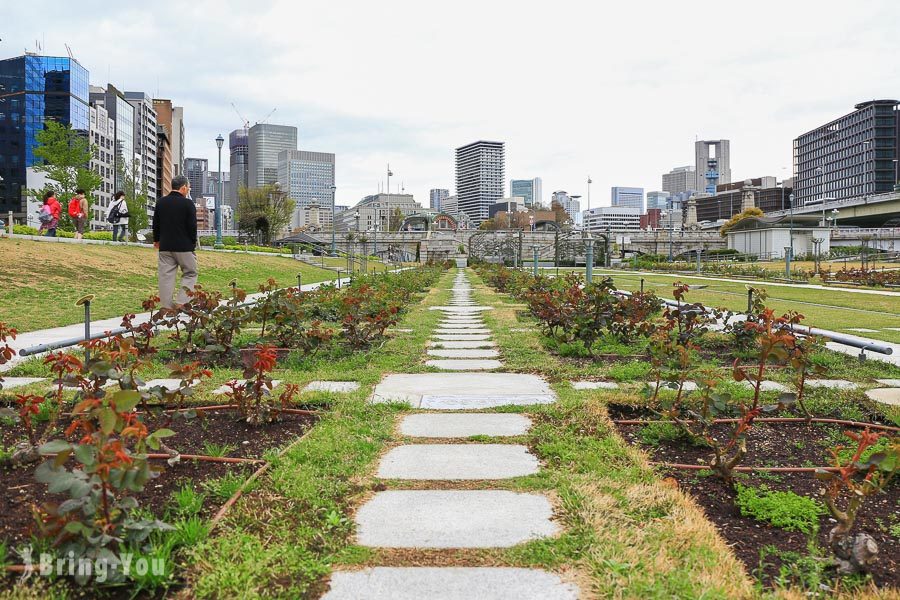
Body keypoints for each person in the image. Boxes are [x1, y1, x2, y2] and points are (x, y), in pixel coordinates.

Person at [153, 175, 198, 309]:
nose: (188, 190)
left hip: (165, 246)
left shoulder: (161, 202)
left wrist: (156, 240)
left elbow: (156, 223)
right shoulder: (188, 204)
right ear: (183, 188)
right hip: (184, 246)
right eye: (188, 187)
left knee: (166, 276)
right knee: (190, 272)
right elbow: (192, 226)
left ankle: (166, 307)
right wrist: (192, 242)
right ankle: (182, 302)